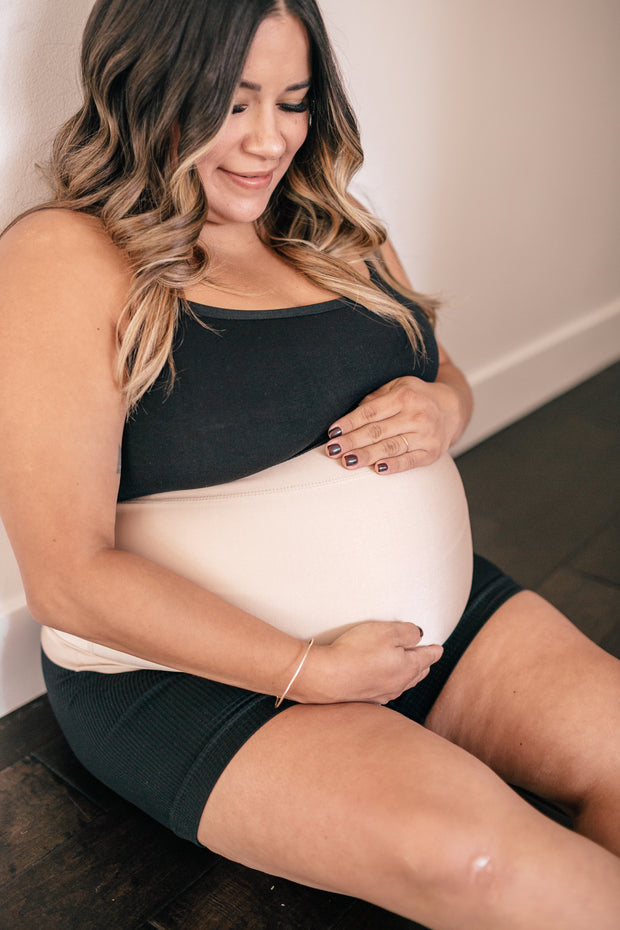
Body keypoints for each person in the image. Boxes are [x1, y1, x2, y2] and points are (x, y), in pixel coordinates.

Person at [0, 1, 619, 926]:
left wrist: (445, 403)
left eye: (293, 102)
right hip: (200, 685)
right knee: (479, 859)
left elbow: (438, 365)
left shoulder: (333, 226)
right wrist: (305, 670)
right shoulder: (68, 255)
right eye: (231, 102)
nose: (268, 140)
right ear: (144, 86)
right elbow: (67, 577)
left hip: (432, 632)